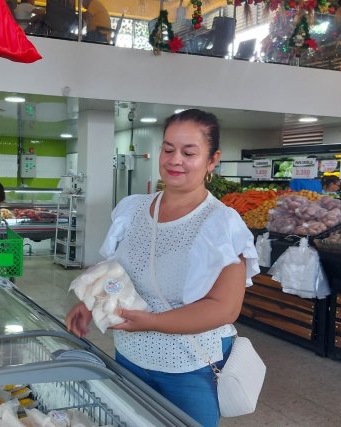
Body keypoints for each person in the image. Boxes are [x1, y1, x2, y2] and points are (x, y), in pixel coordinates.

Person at [65, 109, 259, 427]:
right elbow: (118, 271)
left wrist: (153, 322)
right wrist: (92, 301)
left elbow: (225, 308)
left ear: (212, 160)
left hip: (190, 368)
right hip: (130, 357)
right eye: (168, 149)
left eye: (188, 152)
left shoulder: (222, 224)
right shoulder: (133, 209)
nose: (174, 160)